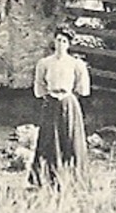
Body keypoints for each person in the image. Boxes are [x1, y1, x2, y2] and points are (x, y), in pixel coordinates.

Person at [29, 23, 91, 187]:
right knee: (49, 139)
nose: (60, 44)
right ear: (53, 42)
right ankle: (47, 178)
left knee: (70, 139)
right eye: (58, 40)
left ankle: (72, 178)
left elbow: (83, 87)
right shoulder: (44, 63)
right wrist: (49, 96)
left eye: (64, 41)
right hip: (51, 102)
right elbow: (39, 85)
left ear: (69, 44)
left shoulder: (76, 64)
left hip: (68, 103)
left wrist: (68, 96)